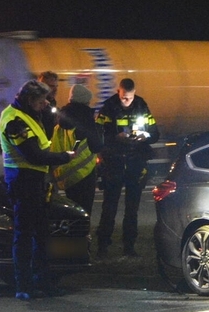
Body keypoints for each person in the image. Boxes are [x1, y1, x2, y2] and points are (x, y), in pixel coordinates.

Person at [0, 79, 73, 300]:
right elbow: (33, 154)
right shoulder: (14, 121)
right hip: (23, 182)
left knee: (41, 235)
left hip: (36, 181)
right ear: (30, 100)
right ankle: (24, 285)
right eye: (40, 102)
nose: (44, 105)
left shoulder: (29, 115)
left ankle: (42, 282)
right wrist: (63, 157)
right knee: (24, 235)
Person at [95, 77, 158, 257]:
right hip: (114, 162)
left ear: (134, 94)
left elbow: (154, 132)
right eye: (123, 98)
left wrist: (145, 137)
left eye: (129, 98)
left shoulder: (141, 105)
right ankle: (103, 245)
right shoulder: (108, 107)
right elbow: (98, 134)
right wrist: (116, 137)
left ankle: (129, 246)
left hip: (135, 161)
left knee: (132, 208)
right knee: (110, 206)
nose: (126, 101)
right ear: (118, 92)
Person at [51, 84, 104, 216]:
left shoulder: (60, 122)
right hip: (85, 173)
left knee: (72, 212)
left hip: (67, 174)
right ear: (85, 101)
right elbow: (96, 146)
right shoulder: (86, 120)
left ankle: (72, 236)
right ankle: (83, 236)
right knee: (84, 212)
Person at [36, 71, 60, 139]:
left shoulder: (52, 102)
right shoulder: (35, 105)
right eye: (51, 86)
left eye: (56, 86)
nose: (55, 89)